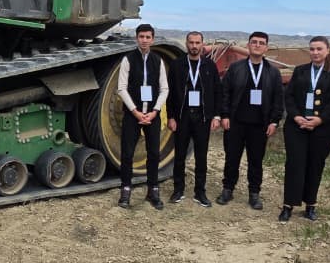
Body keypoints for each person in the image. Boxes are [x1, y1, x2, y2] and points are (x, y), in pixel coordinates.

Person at [280, 36, 330, 222]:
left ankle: (310, 205)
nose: (315, 52)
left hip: (323, 128)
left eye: (319, 49)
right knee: (294, 164)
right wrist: (296, 116)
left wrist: (320, 119)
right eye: (312, 49)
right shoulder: (300, 70)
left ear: (327, 51)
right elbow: (289, 96)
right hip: (297, 126)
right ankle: (288, 205)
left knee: (315, 165)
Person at [216, 31, 283, 210]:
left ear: (266, 48)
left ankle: (254, 193)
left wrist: (274, 121)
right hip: (235, 122)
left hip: (260, 125)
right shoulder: (236, 68)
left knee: (256, 161)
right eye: (254, 42)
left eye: (261, 43)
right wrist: (224, 115)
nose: (257, 45)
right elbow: (225, 93)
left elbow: (278, 99)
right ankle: (228, 189)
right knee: (232, 158)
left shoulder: (273, 72)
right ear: (248, 45)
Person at [166, 31, 224, 207]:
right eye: (191, 42)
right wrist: (171, 117)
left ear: (202, 44)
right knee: (179, 156)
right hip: (182, 117)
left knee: (201, 157)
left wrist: (216, 116)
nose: (194, 46)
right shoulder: (177, 65)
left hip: (202, 118)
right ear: (186, 44)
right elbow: (170, 93)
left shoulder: (209, 65)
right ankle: (178, 190)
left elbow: (217, 91)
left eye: (197, 43)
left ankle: (200, 192)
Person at [116, 23, 169, 210]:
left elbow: (164, 89)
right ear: (136, 38)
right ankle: (125, 190)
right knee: (127, 153)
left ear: (152, 39)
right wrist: (135, 111)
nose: (144, 40)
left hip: (152, 115)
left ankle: (153, 190)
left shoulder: (158, 61)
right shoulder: (128, 60)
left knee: (154, 153)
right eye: (141, 37)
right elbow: (121, 88)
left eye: (148, 37)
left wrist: (155, 111)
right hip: (133, 114)